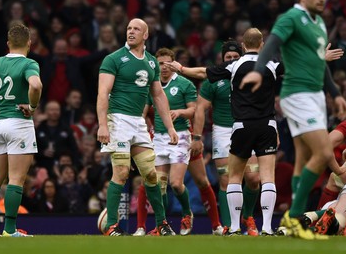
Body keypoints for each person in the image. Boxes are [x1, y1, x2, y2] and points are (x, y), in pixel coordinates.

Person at [239, 0, 346, 239]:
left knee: (302, 161)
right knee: (324, 153)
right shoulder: (290, 18)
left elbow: (319, 63)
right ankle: (294, 218)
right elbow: (273, 43)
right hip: (296, 94)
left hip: (315, 96)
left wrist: (335, 94)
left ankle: (295, 225)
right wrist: (256, 70)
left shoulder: (320, 23)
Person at [166, 28, 282, 236]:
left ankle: (236, 226)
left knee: (237, 177)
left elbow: (202, 72)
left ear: (244, 46)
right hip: (266, 126)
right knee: (266, 178)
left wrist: (181, 68)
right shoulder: (272, 63)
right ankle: (266, 227)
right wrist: (321, 58)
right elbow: (299, 66)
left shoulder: (234, 65)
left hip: (242, 127)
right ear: (262, 44)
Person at [97, 18, 178, 236]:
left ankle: (161, 224)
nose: (131, 32)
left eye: (136, 29)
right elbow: (103, 93)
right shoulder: (114, 59)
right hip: (118, 120)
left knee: (151, 175)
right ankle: (112, 225)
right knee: (122, 172)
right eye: (129, 28)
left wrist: (170, 127)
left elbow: (159, 95)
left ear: (145, 35)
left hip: (138, 123)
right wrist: (102, 125)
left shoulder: (151, 62)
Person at [0, 22, 42, 237]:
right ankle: (10, 230)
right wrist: (32, 107)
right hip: (19, 123)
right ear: (29, 43)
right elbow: (36, 85)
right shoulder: (29, 64)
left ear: (8, 44)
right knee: (15, 180)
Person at [190, 39, 262, 235]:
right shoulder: (213, 80)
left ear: (242, 57)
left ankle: (248, 217)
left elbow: (263, 103)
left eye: (235, 57)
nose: (231, 60)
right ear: (221, 59)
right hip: (223, 132)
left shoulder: (252, 75)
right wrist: (196, 137)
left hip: (249, 128)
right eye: (228, 57)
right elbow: (200, 109)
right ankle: (230, 226)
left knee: (254, 178)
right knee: (227, 179)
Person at [143, 47, 196, 235]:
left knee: (175, 183)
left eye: (166, 63)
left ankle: (187, 212)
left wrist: (180, 112)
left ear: (173, 64)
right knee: (160, 186)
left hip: (180, 135)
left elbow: (193, 110)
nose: (163, 67)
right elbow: (145, 111)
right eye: (160, 64)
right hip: (158, 138)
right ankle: (163, 226)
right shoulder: (153, 85)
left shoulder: (184, 84)